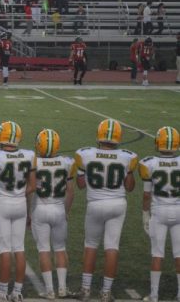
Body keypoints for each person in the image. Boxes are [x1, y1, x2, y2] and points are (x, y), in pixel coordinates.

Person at [72, 119, 138, 302]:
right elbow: (131, 187)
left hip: (95, 204)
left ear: (98, 135)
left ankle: (85, 290)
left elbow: (80, 184)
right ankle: (106, 292)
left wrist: (82, 173)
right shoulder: (127, 156)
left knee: (91, 245)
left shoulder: (85, 154)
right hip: (117, 204)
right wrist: (129, 173)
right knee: (112, 247)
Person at [0, 121, 35, 302]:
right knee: (19, 248)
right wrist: (17, 193)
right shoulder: (29, 155)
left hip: (3, 204)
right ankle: (17, 292)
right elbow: (33, 185)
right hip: (20, 203)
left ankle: (3, 293)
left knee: (5, 250)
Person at [31, 129, 76, 299]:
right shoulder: (67, 162)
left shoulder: (33, 162)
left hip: (40, 209)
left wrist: (29, 214)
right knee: (60, 249)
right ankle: (63, 288)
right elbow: (71, 192)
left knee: (43, 249)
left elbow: (30, 190)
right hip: (59, 208)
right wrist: (66, 211)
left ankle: (50, 290)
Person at [139, 126, 180, 302]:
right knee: (179, 254)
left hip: (159, 211)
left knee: (157, 253)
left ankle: (154, 294)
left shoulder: (149, 163)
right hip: (179, 211)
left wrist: (145, 213)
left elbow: (147, 195)